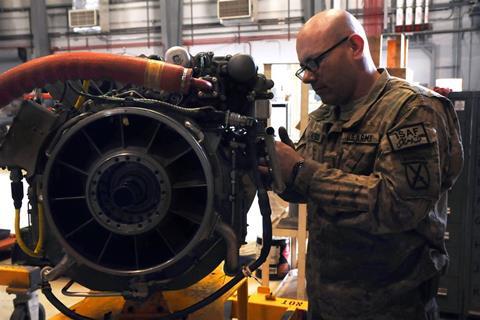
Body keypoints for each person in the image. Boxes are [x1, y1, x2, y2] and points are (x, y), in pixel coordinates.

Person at [271, 9, 464, 320]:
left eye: (314, 63)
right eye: (303, 68)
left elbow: (398, 206)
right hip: (325, 306)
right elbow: (304, 191)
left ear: (355, 46)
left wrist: (300, 170)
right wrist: (273, 170)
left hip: (393, 310)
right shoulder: (324, 117)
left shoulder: (412, 110)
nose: (307, 77)